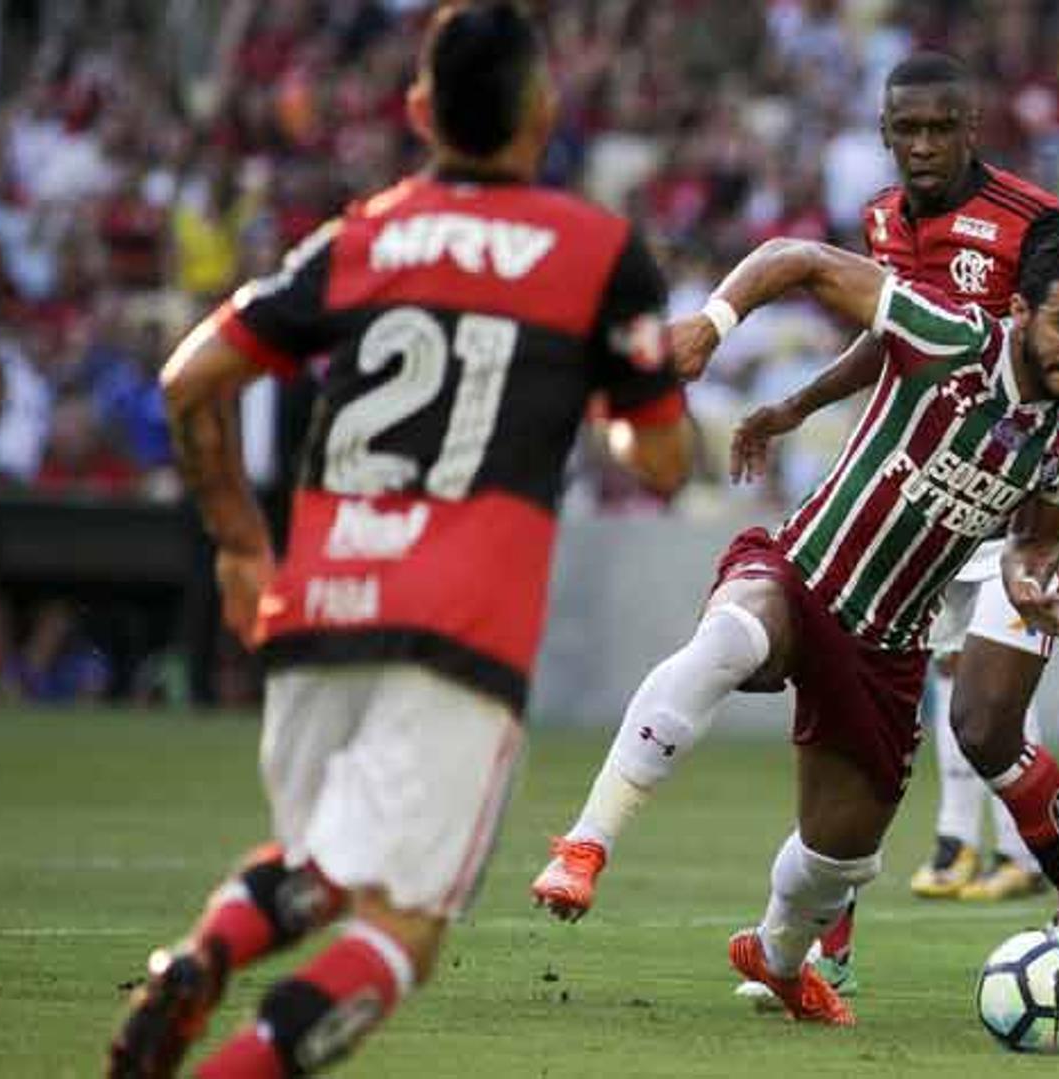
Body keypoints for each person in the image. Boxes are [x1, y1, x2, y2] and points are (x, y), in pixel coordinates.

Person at [105, 6, 691, 1076]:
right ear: (545, 111)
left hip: (320, 602)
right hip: (458, 630)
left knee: (331, 853)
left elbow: (191, 377)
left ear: (420, 110)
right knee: (404, 926)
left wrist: (241, 541)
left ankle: (201, 956)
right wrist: (634, 387)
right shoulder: (598, 251)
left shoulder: (360, 236)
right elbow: (659, 462)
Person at [532, 52, 1059, 1000]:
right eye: (907, 129)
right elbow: (822, 282)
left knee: (863, 833)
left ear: (973, 129)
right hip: (816, 564)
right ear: (1017, 315)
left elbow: (1049, 524)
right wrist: (725, 337)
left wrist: (1038, 567)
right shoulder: (939, 315)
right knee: (729, 636)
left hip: (897, 628)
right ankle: (585, 843)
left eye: (940, 128)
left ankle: (792, 954)